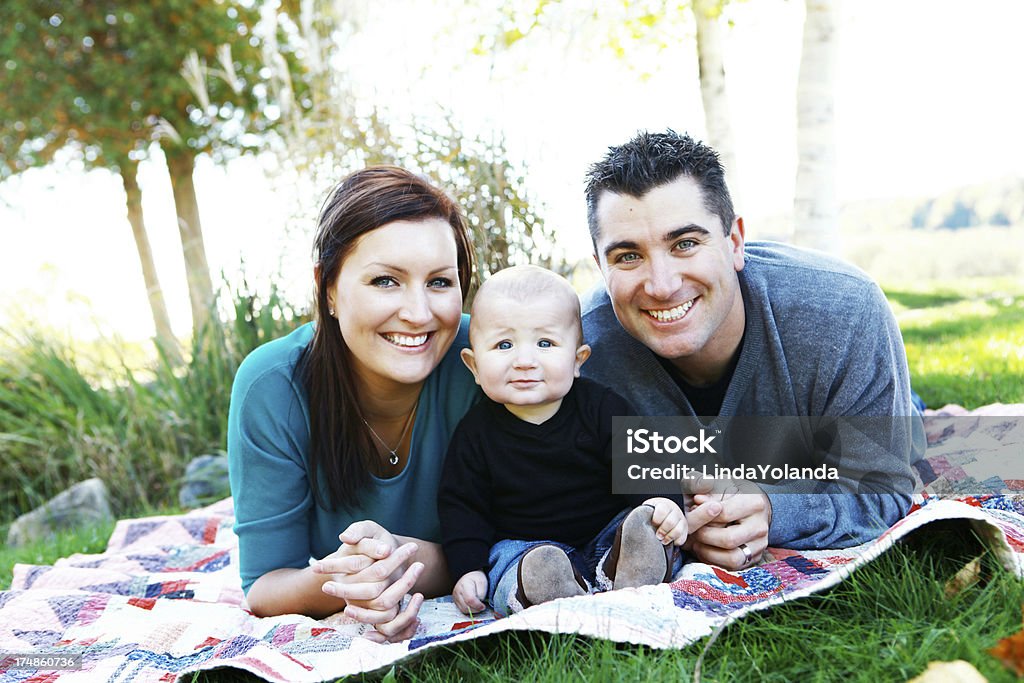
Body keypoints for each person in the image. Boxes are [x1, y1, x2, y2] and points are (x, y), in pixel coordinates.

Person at [580, 130, 921, 570]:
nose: (661, 286)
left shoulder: (844, 309)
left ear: (735, 242)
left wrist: (773, 510)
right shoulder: (583, 351)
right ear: (599, 266)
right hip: (763, 444)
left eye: (685, 244)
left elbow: (881, 484)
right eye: (628, 256)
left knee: (894, 427)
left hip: (815, 425)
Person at [227, 166, 479, 641]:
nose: (419, 313)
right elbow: (264, 586)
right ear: (329, 288)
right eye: (386, 281)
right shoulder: (272, 386)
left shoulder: (486, 360)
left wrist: (399, 559)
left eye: (440, 282)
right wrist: (354, 579)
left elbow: (534, 530)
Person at [437, 265, 686, 617]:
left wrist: (663, 501)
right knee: (509, 561)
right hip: (528, 546)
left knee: (643, 524)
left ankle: (622, 570)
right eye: (504, 344)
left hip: (606, 535)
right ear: (474, 366)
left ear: (577, 360)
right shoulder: (474, 435)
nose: (525, 360)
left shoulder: (602, 408)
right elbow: (462, 507)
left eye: (545, 343)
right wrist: (467, 569)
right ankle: (543, 586)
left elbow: (641, 458)